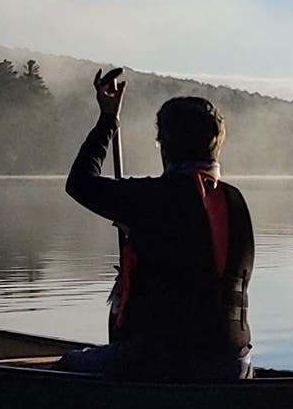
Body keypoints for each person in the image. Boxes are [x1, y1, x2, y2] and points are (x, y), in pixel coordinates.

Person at [58, 67, 254, 382]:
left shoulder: (154, 197)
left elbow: (79, 183)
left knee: (66, 368)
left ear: (165, 145)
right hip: (237, 364)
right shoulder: (236, 201)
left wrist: (108, 120)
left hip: (170, 361)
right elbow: (193, 251)